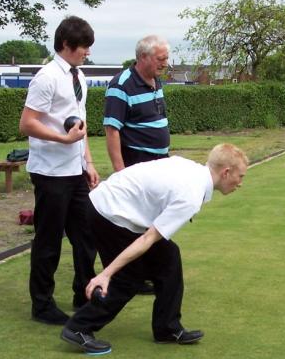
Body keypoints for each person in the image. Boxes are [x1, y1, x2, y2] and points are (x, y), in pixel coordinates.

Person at [60, 143, 249, 355]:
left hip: (110, 204)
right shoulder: (190, 195)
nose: (240, 183)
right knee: (129, 278)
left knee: (169, 256)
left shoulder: (190, 168)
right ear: (226, 172)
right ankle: (78, 328)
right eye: (240, 176)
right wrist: (106, 274)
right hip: (108, 212)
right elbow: (148, 239)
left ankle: (167, 329)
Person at [19, 16, 99, 325]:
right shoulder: (47, 77)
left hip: (75, 169)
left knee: (87, 233)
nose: (87, 53)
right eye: (84, 47)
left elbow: (81, 124)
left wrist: (87, 162)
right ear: (66, 44)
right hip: (50, 172)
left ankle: (84, 292)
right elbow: (27, 122)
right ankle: (41, 305)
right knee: (49, 239)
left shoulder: (80, 78)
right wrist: (62, 138)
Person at [103, 35, 170, 294]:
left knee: (152, 219)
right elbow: (112, 131)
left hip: (157, 164)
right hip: (135, 164)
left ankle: (145, 272)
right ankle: (131, 276)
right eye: (160, 58)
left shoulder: (156, 81)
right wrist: (121, 174)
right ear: (143, 57)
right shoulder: (121, 85)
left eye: (166, 58)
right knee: (134, 221)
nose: (165, 63)